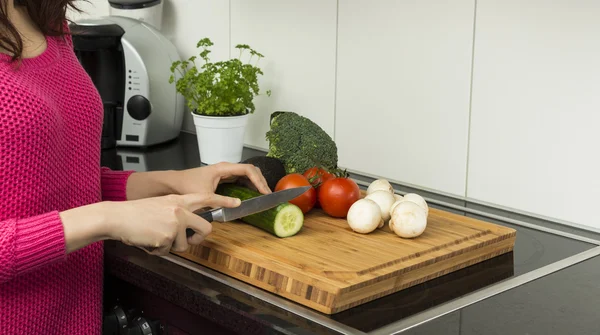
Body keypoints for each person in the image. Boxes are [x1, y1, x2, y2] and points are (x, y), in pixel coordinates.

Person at [0, 0, 271, 333]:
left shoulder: (49, 23)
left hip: (75, 318)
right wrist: (108, 218)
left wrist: (174, 182)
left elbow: (63, 182)